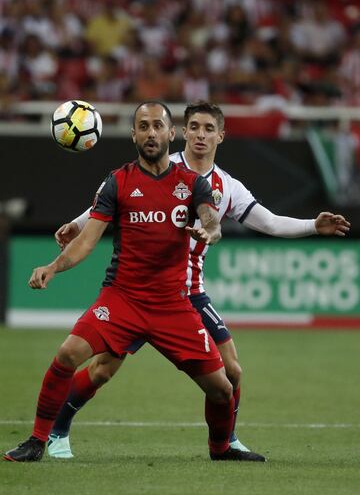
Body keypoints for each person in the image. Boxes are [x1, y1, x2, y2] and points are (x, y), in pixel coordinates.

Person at [47, 101, 350, 461]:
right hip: (139, 290)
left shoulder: (227, 186)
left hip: (189, 293)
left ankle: (226, 442)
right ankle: (57, 429)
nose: (201, 135)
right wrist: (78, 223)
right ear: (182, 132)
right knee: (102, 370)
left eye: (209, 129)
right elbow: (111, 197)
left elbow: (268, 223)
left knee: (232, 371)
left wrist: (313, 226)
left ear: (221, 135)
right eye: (195, 127)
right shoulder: (162, 165)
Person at [3, 101, 266, 463]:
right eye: (143, 126)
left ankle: (221, 449)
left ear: (171, 134)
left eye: (158, 125)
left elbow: (211, 218)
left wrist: (209, 229)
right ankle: (37, 440)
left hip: (173, 305)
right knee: (68, 354)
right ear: (134, 135)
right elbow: (88, 240)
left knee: (223, 388)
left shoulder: (192, 183)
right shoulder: (119, 181)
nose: (151, 132)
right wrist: (53, 266)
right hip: (122, 299)